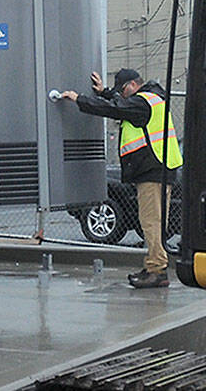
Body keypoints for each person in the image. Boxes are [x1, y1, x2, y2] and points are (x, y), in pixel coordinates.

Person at [58, 68, 181, 288]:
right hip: (160, 168)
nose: (122, 94)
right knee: (154, 221)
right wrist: (105, 91)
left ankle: (157, 270)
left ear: (134, 85)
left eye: (123, 90)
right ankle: (155, 265)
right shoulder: (152, 99)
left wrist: (80, 99)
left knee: (151, 222)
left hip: (153, 171)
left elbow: (115, 108)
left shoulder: (142, 102)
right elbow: (118, 103)